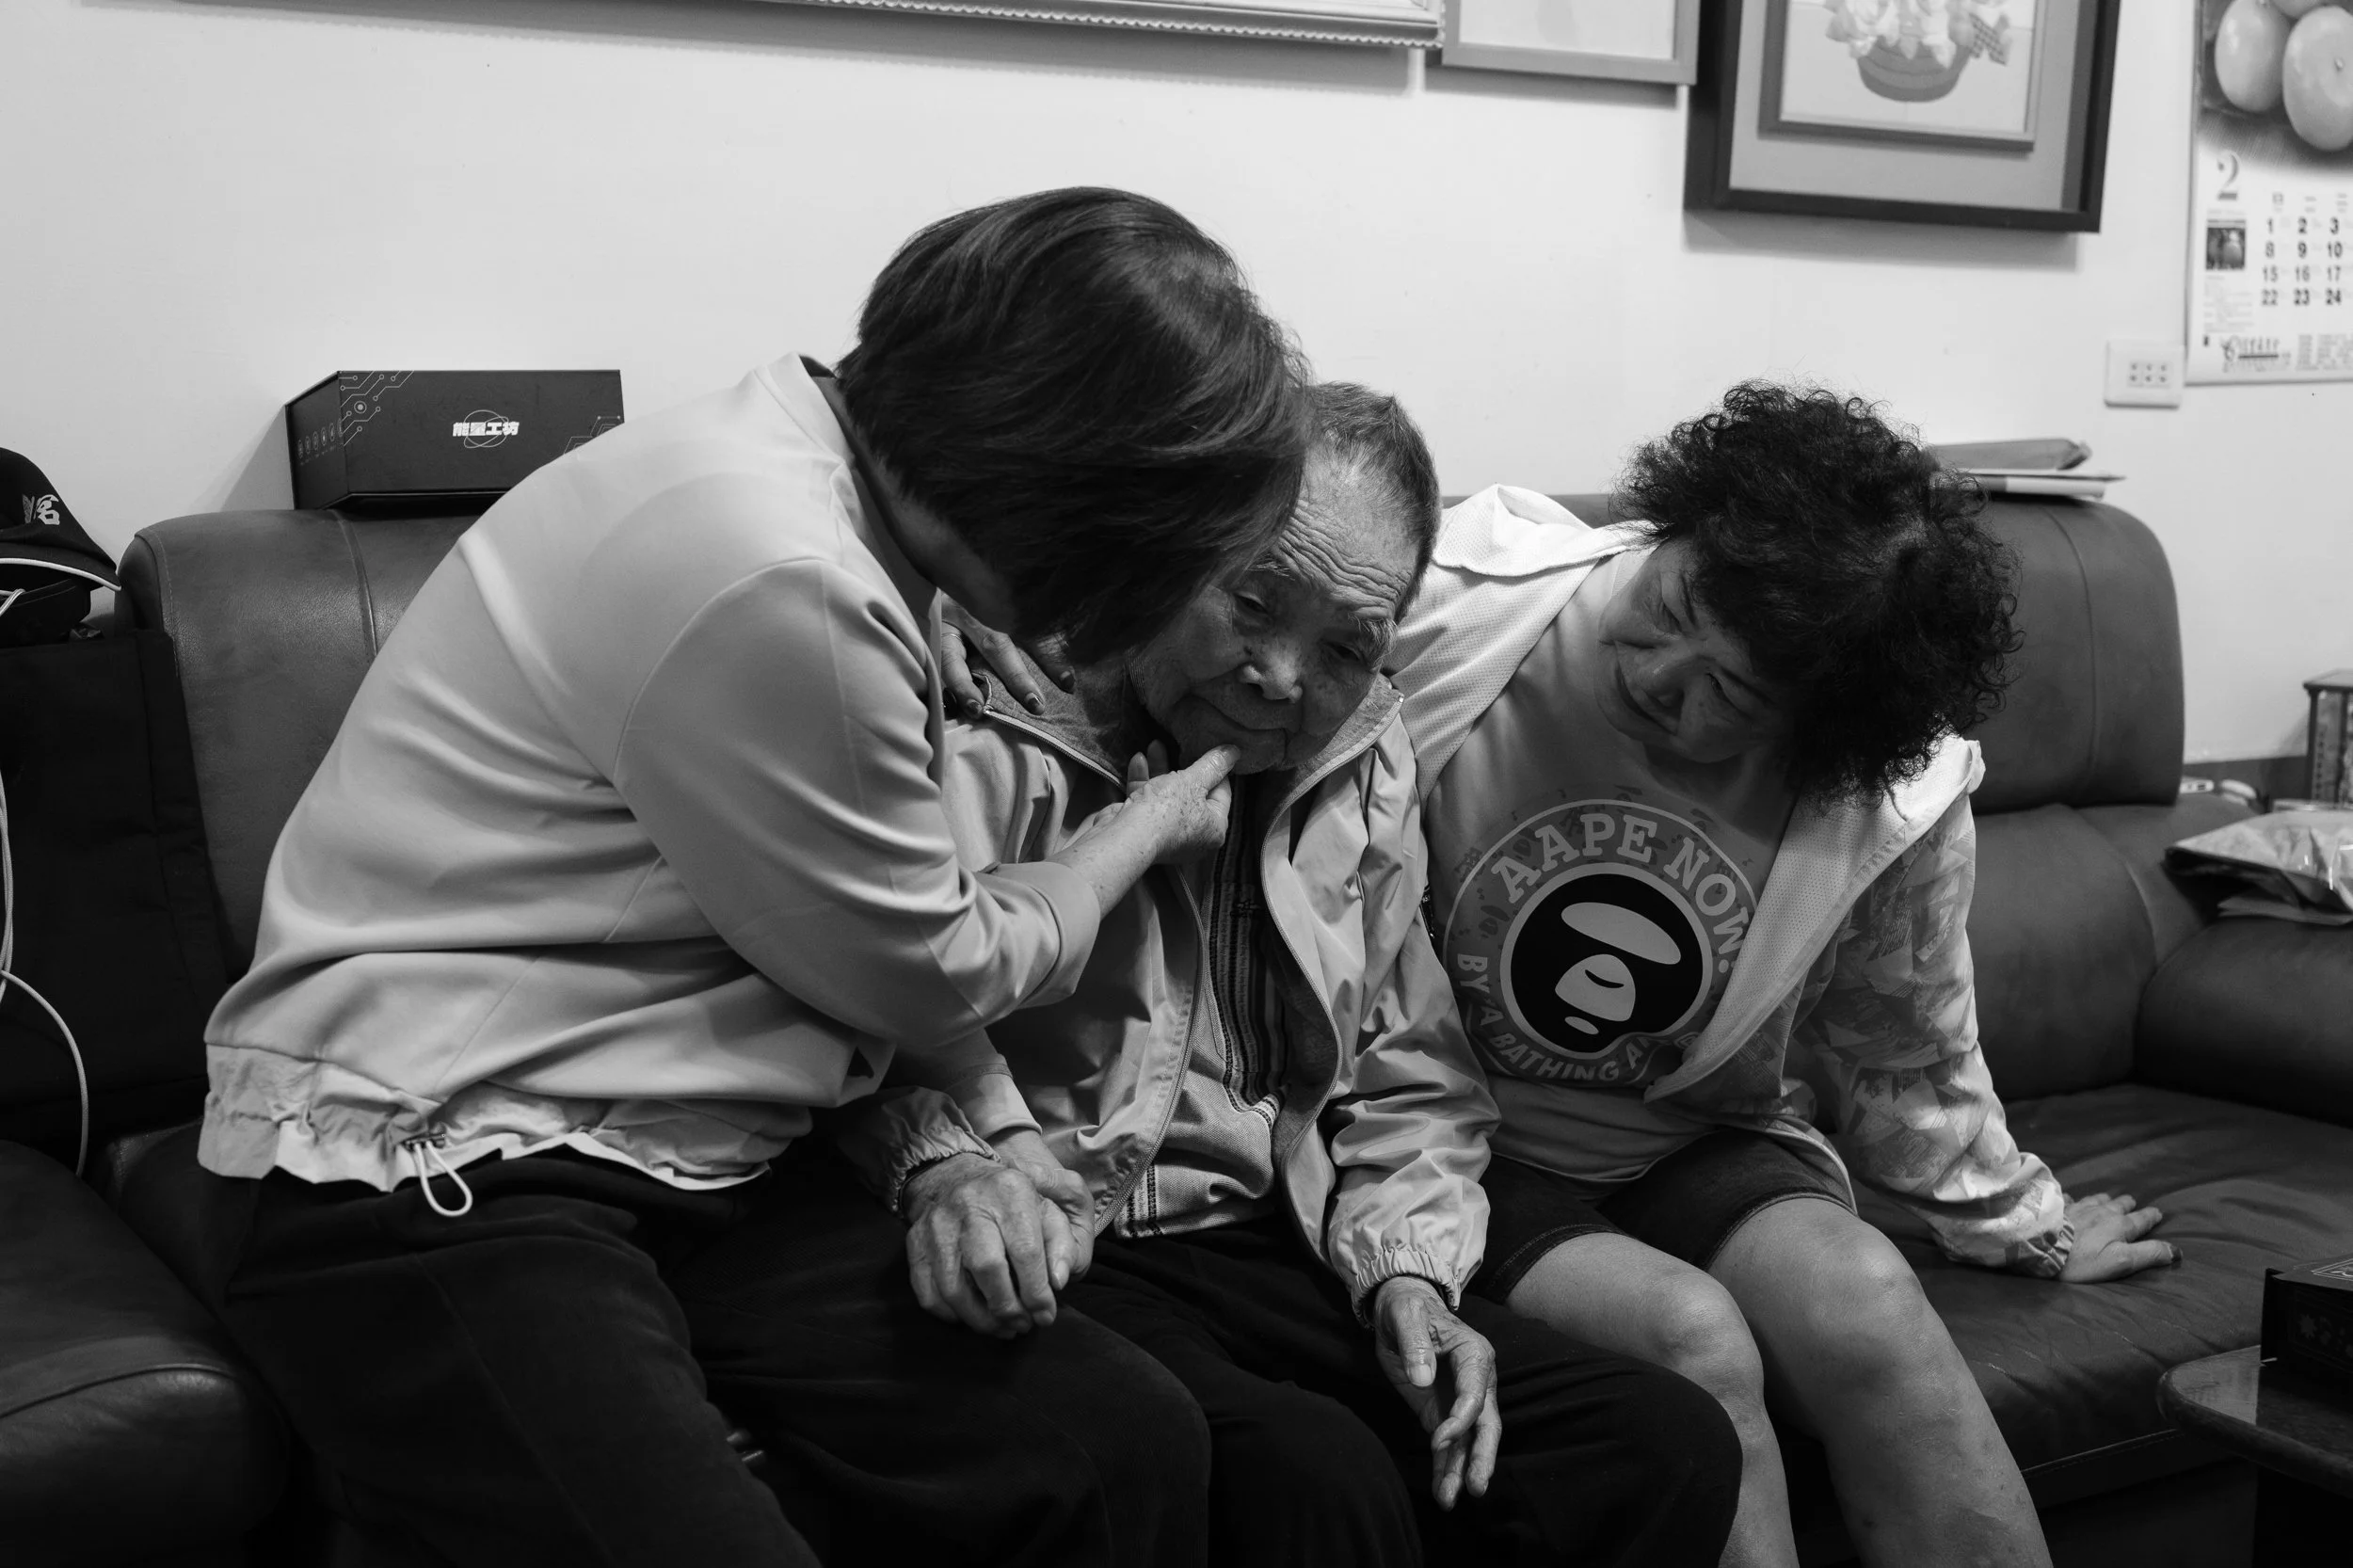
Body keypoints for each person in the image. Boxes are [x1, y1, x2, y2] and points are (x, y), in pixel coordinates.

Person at [168, 187, 1310, 1568]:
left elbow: (863, 924)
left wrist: (997, 1138)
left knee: (1117, 1440)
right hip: (439, 1157)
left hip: (691, 1159)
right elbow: (935, 968)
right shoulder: (785, 574)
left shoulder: (806, 477)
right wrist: (1142, 824)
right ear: (1076, 484)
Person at [895, 382, 1742, 1568]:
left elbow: (1412, 1067)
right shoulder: (989, 711)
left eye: (1346, 646)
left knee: (1657, 1441)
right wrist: (953, 1163)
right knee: (1315, 1477)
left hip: (1273, 1229)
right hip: (1070, 1227)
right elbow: (861, 1006)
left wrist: (1409, 1278)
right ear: (1172, 544)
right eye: (1251, 602)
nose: (1283, 677)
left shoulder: (1361, 752)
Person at [1385, 384, 2178, 1568]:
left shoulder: (1884, 800)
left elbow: (1907, 1042)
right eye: (1671, 605)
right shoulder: (1459, 607)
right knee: (1692, 1335)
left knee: (1869, 1304)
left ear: (1822, 731)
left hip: (1684, 1137)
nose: (1660, 674)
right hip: (1452, 1140)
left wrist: (2023, 1225)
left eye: (1732, 692)